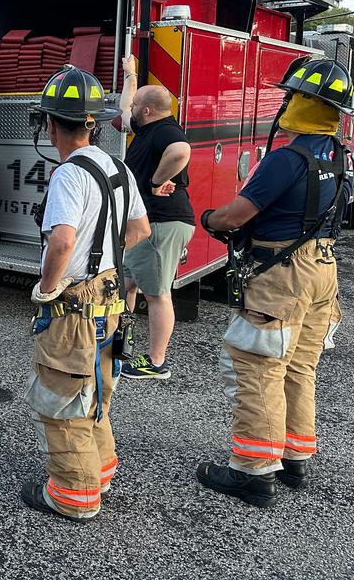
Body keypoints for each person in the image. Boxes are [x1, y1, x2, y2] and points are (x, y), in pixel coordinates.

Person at [197, 57, 352, 508]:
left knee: (259, 368)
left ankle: (253, 474)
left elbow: (236, 215)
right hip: (323, 271)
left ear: (302, 102)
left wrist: (209, 219)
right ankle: (293, 458)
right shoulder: (336, 154)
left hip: (282, 277)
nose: (284, 103)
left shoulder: (288, 159)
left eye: (291, 96)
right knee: (300, 367)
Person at [21, 66, 149, 522]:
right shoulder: (118, 167)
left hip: (75, 301)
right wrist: (106, 261)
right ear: (93, 121)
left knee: (62, 395)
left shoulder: (68, 176)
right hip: (110, 295)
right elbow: (140, 229)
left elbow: (62, 241)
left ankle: (74, 496)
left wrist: (48, 288)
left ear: (50, 123)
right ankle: (101, 469)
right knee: (95, 388)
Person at [115, 55, 194, 379]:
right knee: (129, 283)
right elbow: (123, 110)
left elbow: (181, 152)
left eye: (137, 106)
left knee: (158, 294)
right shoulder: (147, 126)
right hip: (149, 225)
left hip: (162, 222)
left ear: (147, 111)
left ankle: (156, 362)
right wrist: (131, 74)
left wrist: (155, 182)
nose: (131, 109)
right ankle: (122, 342)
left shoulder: (165, 131)